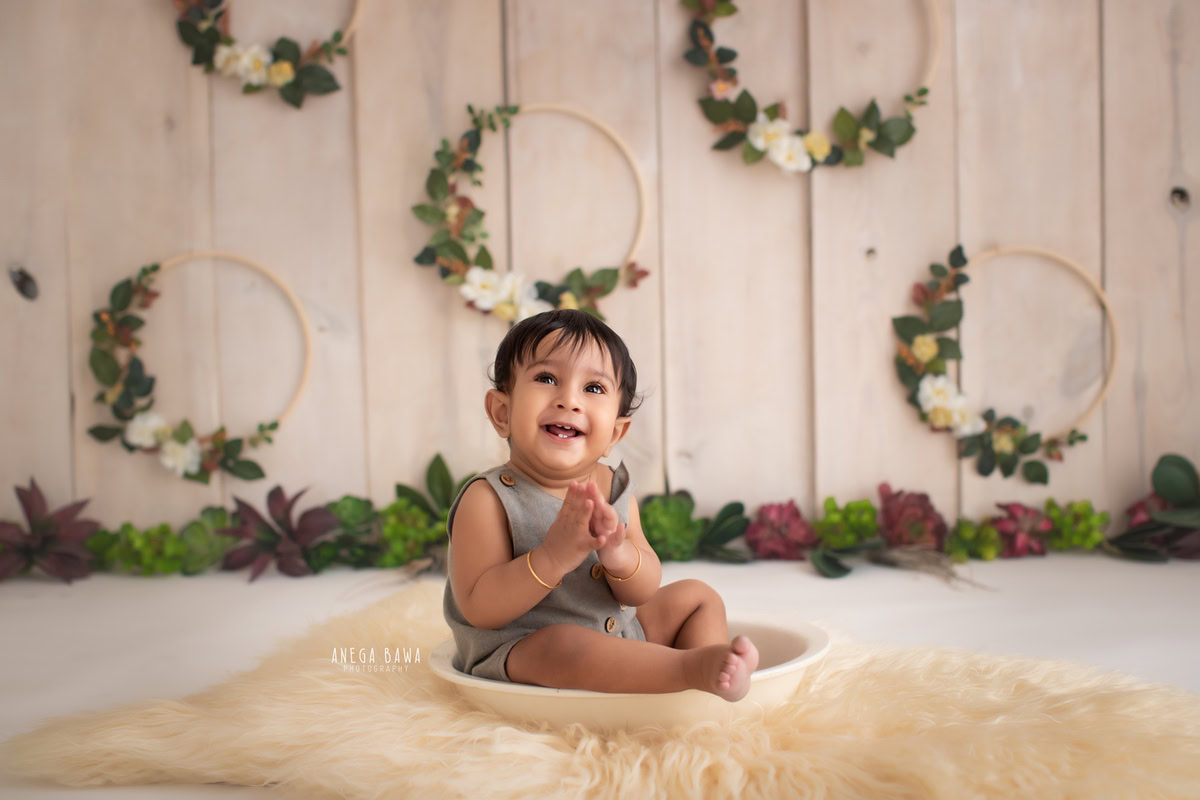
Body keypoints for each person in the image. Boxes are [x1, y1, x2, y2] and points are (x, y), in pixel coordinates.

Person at [442, 309, 759, 700]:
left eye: (593, 388)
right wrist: (553, 557)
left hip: (619, 632)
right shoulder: (489, 498)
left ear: (615, 432)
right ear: (502, 413)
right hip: (524, 651)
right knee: (561, 645)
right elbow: (480, 608)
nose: (569, 400)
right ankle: (689, 669)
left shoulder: (613, 488)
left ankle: (704, 687)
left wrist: (619, 554)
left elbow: (641, 592)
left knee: (697, 596)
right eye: (546, 378)